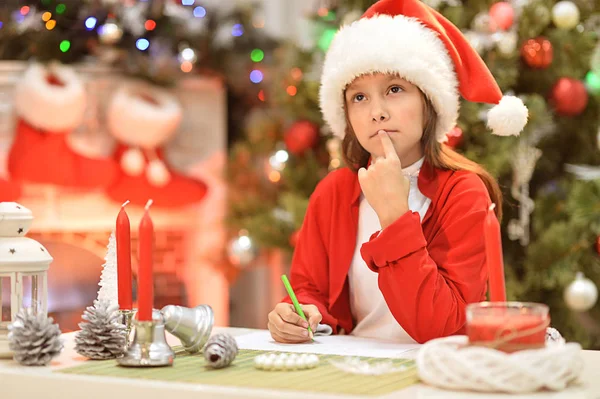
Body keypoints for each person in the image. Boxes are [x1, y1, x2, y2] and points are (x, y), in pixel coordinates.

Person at [267, 0, 528, 344]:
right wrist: (297, 314)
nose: (376, 112)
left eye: (394, 90)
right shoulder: (334, 191)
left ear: (428, 102)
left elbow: (444, 328)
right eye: (359, 97)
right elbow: (309, 290)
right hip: (355, 370)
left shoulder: (464, 193)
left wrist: (394, 217)